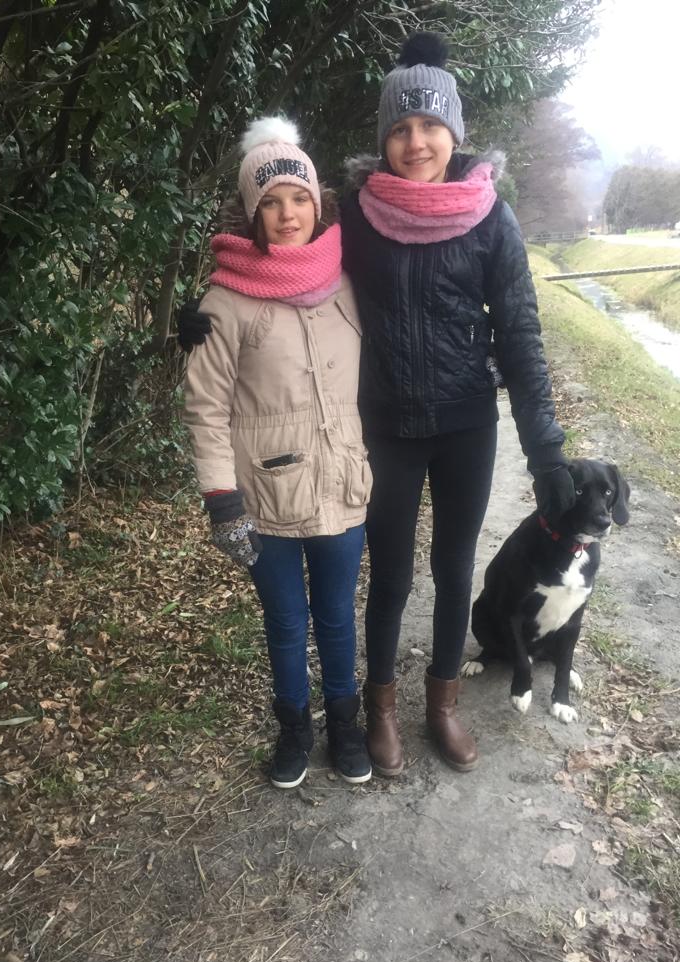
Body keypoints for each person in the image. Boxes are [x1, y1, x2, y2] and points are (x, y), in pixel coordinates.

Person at [180, 33, 575, 778]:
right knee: (390, 575)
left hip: (466, 425)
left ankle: (442, 705)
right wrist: (201, 311)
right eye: (401, 128)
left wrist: (545, 450)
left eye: (430, 125)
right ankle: (380, 710)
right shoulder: (358, 217)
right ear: (384, 138)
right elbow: (283, 260)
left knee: (454, 569)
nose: (416, 141)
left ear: (453, 131)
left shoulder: (492, 217)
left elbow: (521, 333)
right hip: (385, 427)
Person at [182, 117, 373, 790]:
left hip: (343, 484)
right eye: (270, 202)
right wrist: (221, 502)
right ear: (251, 212)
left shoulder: (351, 278)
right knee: (287, 622)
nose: (288, 214)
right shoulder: (224, 300)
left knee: (338, 617)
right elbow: (205, 408)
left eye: (299, 197)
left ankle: (346, 725)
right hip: (265, 500)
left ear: (318, 202)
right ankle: (294, 729)